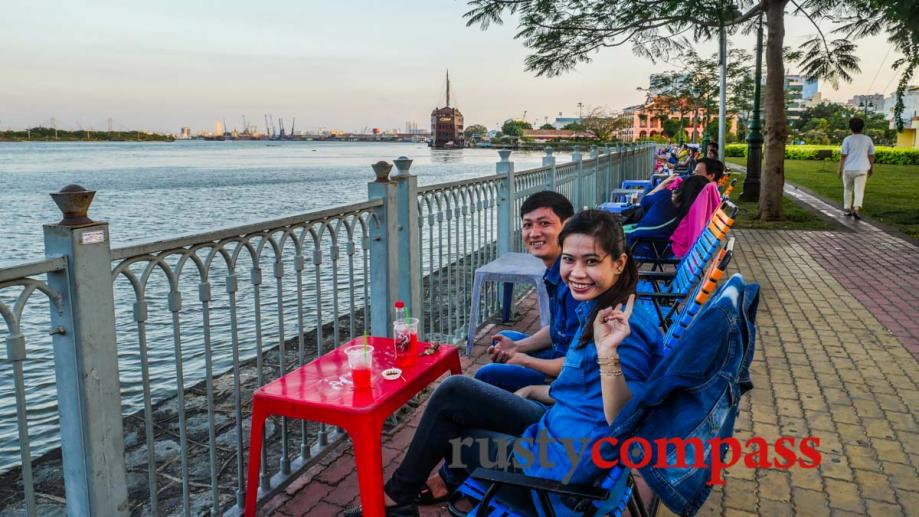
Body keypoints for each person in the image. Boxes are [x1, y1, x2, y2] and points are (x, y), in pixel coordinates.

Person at [343, 211, 663, 517]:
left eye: (591, 261)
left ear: (619, 263)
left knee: (455, 430)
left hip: (557, 482)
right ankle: (396, 498)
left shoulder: (624, 331)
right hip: (556, 432)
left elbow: (623, 421)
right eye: (569, 259)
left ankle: (393, 500)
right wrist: (536, 390)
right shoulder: (605, 304)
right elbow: (584, 389)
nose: (577, 273)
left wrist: (608, 354)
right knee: (458, 396)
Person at [475, 191, 580, 393]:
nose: (534, 233)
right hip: (562, 353)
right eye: (527, 225)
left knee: (486, 374)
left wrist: (525, 360)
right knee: (506, 337)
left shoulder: (574, 281)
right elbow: (555, 329)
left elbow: (579, 365)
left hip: (568, 377)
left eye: (544, 223)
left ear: (567, 226)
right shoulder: (554, 272)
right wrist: (516, 348)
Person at [625, 175, 711, 257]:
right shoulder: (691, 215)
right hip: (664, 249)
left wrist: (663, 184)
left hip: (640, 245)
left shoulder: (665, 195)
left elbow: (644, 202)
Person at [838, 117, 875, 219]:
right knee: (859, 190)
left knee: (847, 189)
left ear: (850, 127)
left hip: (848, 168)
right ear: (862, 127)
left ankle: (847, 209)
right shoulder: (867, 139)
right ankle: (856, 209)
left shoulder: (847, 139)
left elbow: (843, 155)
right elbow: (871, 155)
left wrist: (839, 169)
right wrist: (872, 167)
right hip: (862, 169)